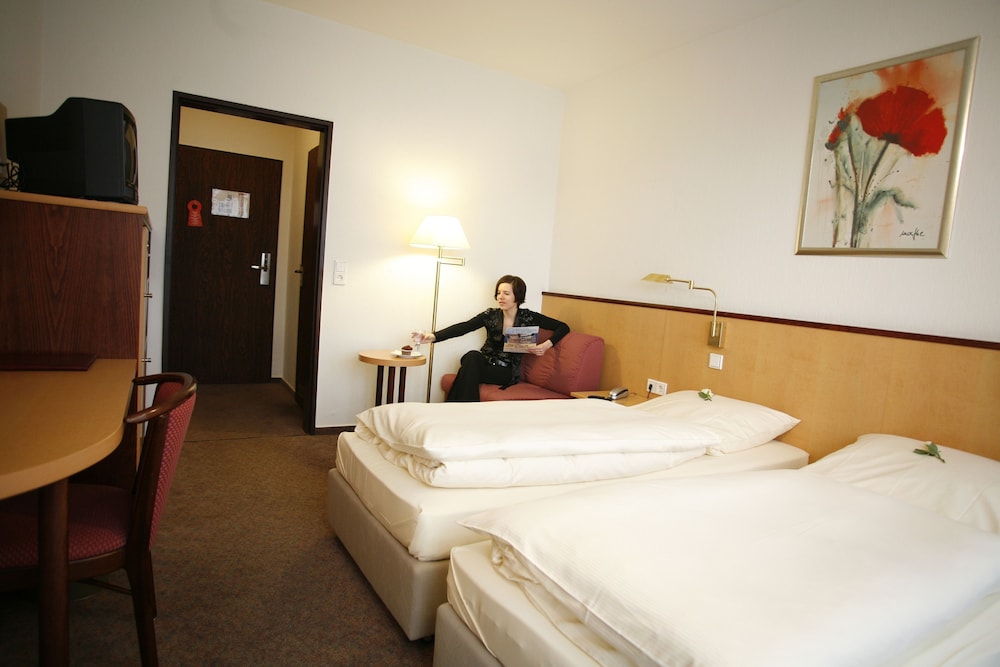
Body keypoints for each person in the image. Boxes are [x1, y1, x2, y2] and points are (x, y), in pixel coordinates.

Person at [414, 275, 570, 402]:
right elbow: (464, 327)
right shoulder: (490, 315)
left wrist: (545, 345)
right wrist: (433, 336)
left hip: (506, 371)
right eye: (499, 292)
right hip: (484, 363)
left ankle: (455, 409)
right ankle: (467, 410)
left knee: (467, 369)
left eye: (506, 293)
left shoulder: (529, 317)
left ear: (517, 296)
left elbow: (563, 327)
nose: (500, 297)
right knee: (472, 356)